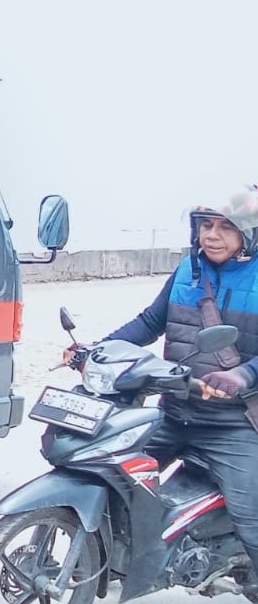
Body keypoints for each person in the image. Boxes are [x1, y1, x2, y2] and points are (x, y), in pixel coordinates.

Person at [76, 183, 258, 580]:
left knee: (252, 516)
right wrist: (96, 349)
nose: (212, 235)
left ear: (250, 233)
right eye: (205, 225)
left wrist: (243, 374)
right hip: (174, 413)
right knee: (111, 472)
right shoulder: (188, 271)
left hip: (234, 425)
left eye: (226, 227)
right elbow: (149, 322)